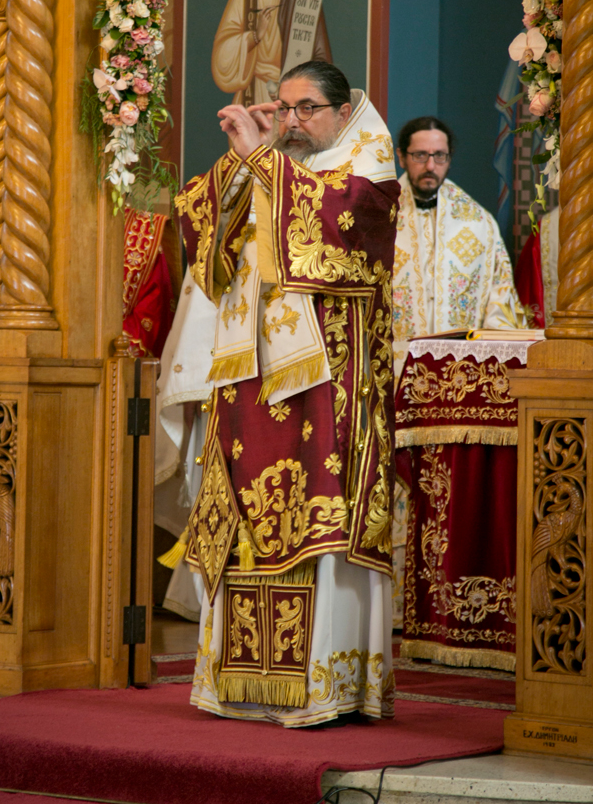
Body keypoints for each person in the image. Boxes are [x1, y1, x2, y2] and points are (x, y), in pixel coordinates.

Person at [158, 60, 399, 726]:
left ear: (343, 111)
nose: (291, 121)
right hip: (251, 387)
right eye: (283, 106)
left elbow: (331, 231)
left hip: (327, 395)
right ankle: (237, 685)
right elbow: (208, 245)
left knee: (315, 524)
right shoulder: (274, 167)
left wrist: (261, 158)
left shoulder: (370, 173)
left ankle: (325, 685)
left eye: (306, 109)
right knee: (244, 524)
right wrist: (238, 165)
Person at [392, 116, 522, 378]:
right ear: (401, 157)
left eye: (440, 156)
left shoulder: (478, 222)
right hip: (391, 369)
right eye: (420, 155)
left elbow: (500, 295)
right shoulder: (377, 216)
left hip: (459, 373)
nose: (430, 165)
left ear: (449, 159)